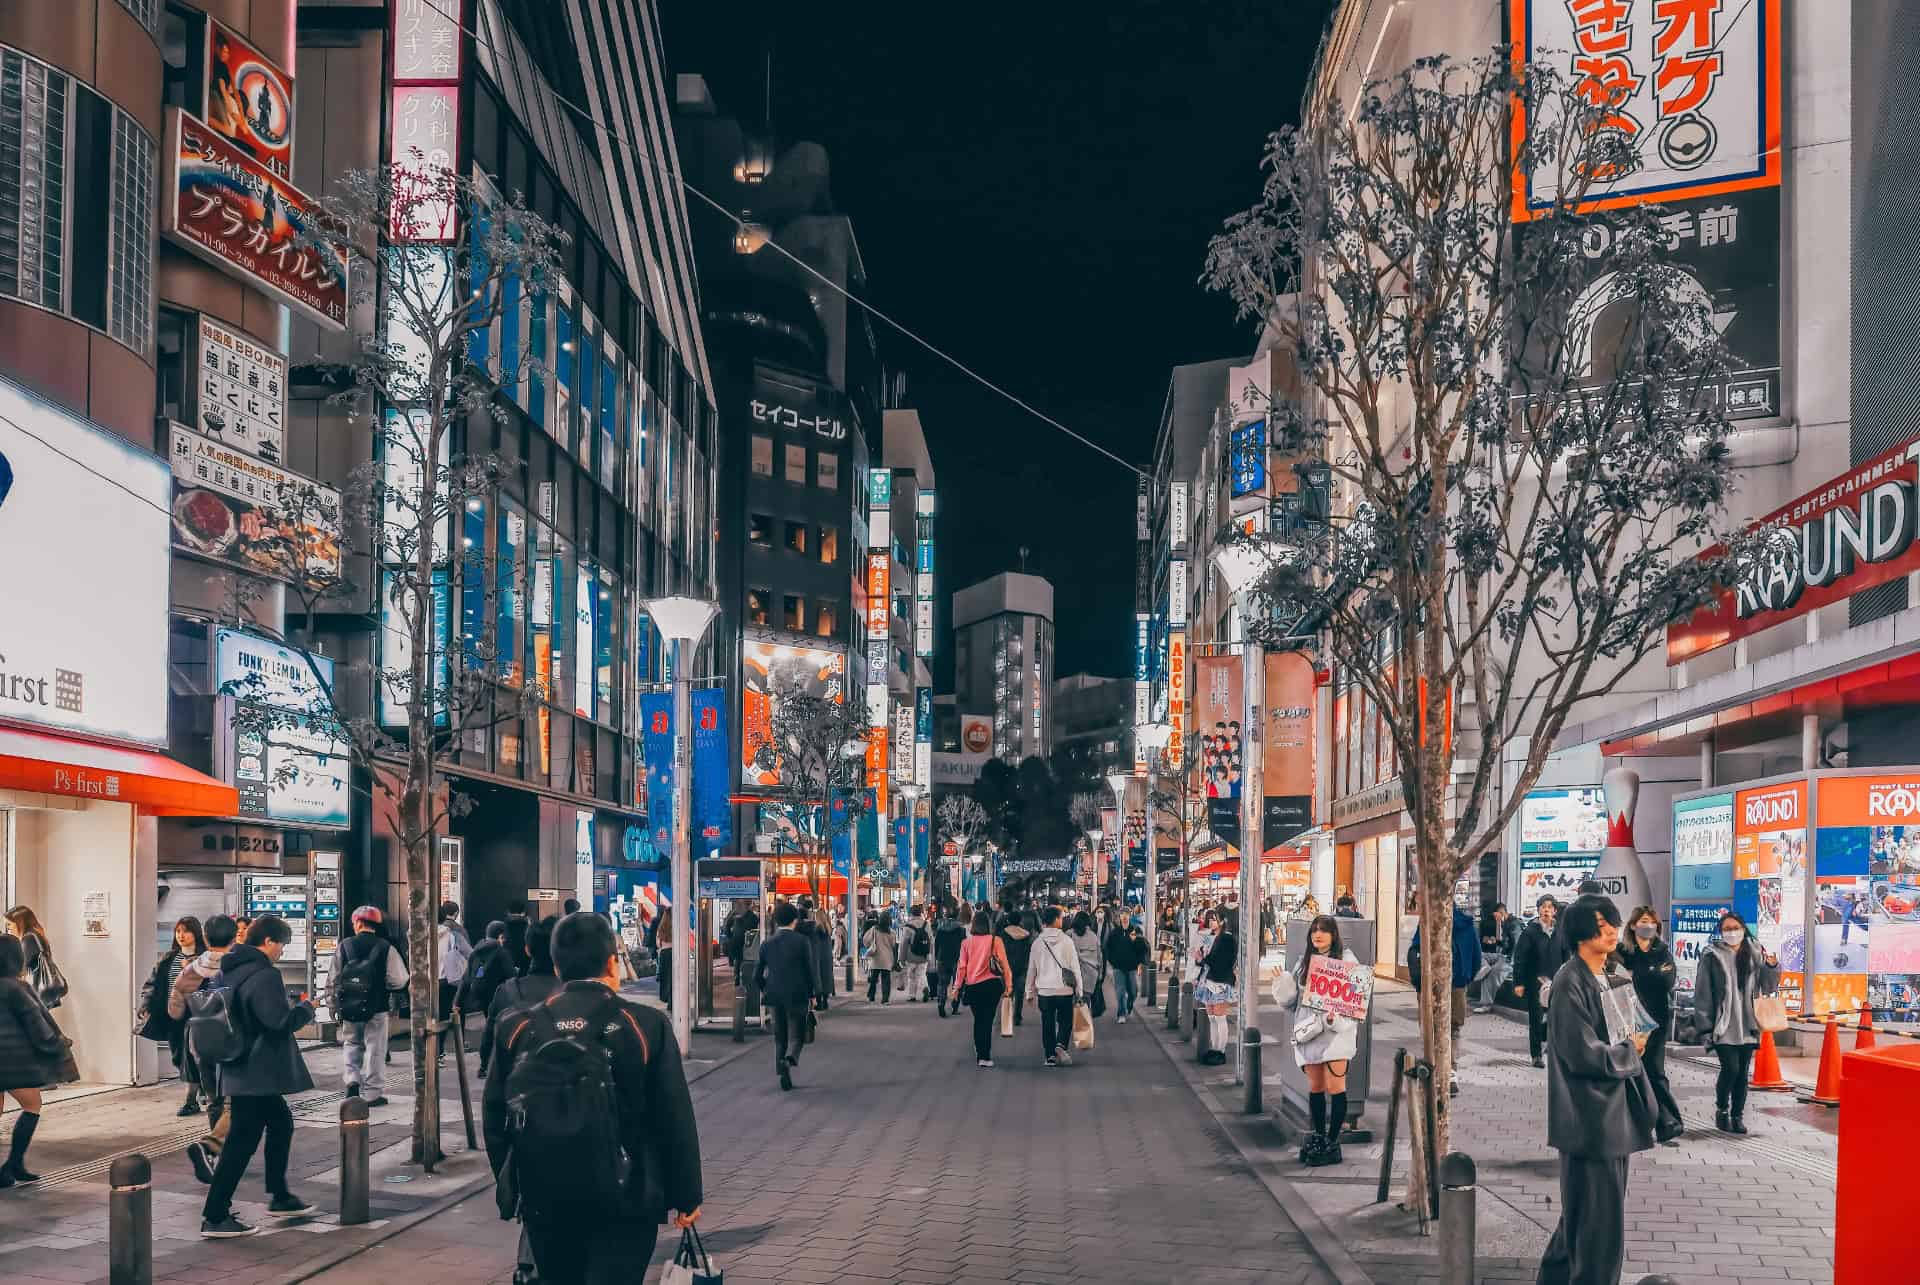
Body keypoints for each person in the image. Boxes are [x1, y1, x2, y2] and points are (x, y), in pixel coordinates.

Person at [484, 912, 703, 1283]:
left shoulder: (518, 1026)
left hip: (545, 1195)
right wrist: (687, 1194)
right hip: (628, 1197)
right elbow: (673, 1115)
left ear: (557, 965)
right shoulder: (645, 1026)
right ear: (612, 962)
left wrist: (515, 1183)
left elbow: (494, 1115)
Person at [1537, 895, 1655, 1285]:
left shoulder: (1610, 974)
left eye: (1612, 922)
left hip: (1611, 1115)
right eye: (1601, 923)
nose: (1610, 930)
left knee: (1582, 1219)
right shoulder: (1570, 982)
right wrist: (1630, 1051)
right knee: (1598, 1228)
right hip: (1590, 1118)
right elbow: (1581, 1055)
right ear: (1579, 931)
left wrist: (1634, 1042)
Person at [200, 916, 318, 1238]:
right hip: (256, 1070)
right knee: (241, 1140)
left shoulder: (228, 967)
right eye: (281, 944)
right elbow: (277, 1022)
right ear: (268, 941)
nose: (281, 951)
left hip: (237, 1065)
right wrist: (306, 1009)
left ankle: (280, 1195)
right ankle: (215, 1214)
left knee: (280, 1122)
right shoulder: (264, 974)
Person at [1272, 915, 1360, 1166]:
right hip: (1310, 1034)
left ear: (1334, 934)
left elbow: (1353, 1003)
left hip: (1335, 1036)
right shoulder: (1304, 963)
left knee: (1336, 1087)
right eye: (1314, 931)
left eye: (1323, 930)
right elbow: (1293, 1004)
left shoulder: (1346, 962)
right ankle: (1320, 1136)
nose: (1317, 935)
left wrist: (1335, 1018)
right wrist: (1283, 985)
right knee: (1316, 1088)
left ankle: (1332, 1141)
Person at [1693, 910, 1780, 1135]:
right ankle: (1722, 1108)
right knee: (1730, 1069)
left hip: (1748, 1023)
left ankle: (1737, 1116)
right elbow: (1703, 993)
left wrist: (1771, 967)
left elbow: (1769, 987)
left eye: (1735, 928)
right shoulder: (1712, 955)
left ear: (1743, 929)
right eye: (1727, 929)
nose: (1732, 932)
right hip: (1724, 1025)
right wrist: (1705, 1026)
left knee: (1742, 1073)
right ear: (1721, 932)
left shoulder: (1754, 951)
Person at [0, 933, 76, 1187]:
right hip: (11, 1061)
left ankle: (12, 1167)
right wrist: (58, 1045)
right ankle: (13, 1164)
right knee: (32, 1104)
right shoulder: (16, 987)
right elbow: (37, 1024)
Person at [172, 914, 239, 1184]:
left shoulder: (191, 969)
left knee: (212, 1099)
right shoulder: (239, 966)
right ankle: (214, 1146)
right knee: (234, 1101)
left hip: (201, 1039)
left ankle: (214, 1154)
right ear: (234, 938)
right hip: (234, 1042)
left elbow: (174, 1011)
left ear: (206, 939)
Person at [1615, 905, 1683, 1142]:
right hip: (1626, 1019)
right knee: (1630, 1071)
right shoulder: (1621, 951)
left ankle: (1668, 1121)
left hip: (1656, 1019)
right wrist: (1649, 974)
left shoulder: (1662, 951)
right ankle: (1636, 1121)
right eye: (1644, 921)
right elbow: (1614, 980)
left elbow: (1667, 979)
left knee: (1655, 1070)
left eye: (1652, 922)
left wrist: (1638, 976)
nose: (1648, 926)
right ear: (1633, 925)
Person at [332, 906, 408, 1107]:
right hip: (377, 1007)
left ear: (357, 923)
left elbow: (334, 979)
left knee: (351, 1044)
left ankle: (352, 1082)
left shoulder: (345, 946)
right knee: (375, 1048)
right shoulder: (385, 947)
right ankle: (373, 1094)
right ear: (376, 924)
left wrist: (334, 1005)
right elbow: (399, 980)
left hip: (349, 1007)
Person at [1408, 904, 1483, 1096]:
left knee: (1430, 1028)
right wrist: (1465, 978)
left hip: (1429, 985)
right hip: (1457, 984)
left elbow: (1415, 950)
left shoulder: (1428, 921)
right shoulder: (1466, 925)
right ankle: (1450, 1073)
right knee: (1453, 1029)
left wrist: (1419, 982)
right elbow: (1477, 958)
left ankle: (1433, 1070)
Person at [139, 916, 207, 1116]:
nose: (181, 936)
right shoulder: (168, 958)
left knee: (190, 1057)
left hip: (195, 1016)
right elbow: (153, 984)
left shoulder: (205, 958)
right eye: (178, 931)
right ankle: (200, 1086)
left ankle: (190, 1100)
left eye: (185, 931)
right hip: (172, 1015)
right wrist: (146, 1003)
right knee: (179, 1056)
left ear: (195, 933)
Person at [755, 901, 815, 1091]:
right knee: (797, 1035)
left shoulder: (767, 943)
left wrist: (765, 989)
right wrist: (812, 993)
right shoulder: (802, 942)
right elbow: (809, 971)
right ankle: (791, 1058)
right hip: (797, 994)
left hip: (774, 995)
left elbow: (756, 975)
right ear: (794, 920)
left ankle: (782, 1071)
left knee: (779, 1037)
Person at [486, 916, 561, 1068]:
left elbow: (489, 1043)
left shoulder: (506, 991)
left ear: (527, 949)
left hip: (518, 1083)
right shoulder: (577, 993)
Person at [950, 909, 1014, 1067]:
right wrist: (1009, 985)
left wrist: (956, 987)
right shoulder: (996, 940)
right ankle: (985, 1054)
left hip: (973, 987)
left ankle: (980, 1052)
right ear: (988, 924)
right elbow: (1005, 965)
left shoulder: (966, 943)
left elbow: (961, 967)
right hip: (992, 986)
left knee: (979, 1020)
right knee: (988, 1020)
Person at [1028, 906, 1085, 1067]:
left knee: (1047, 1022)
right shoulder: (1067, 941)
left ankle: (1050, 1056)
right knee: (1066, 1020)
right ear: (1056, 920)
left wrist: (1029, 991)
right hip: (1064, 989)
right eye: (1061, 917)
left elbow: (1032, 969)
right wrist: (1079, 989)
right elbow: (1075, 967)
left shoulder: (1037, 943)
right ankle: (1060, 1045)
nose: (1063, 920)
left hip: (1045, 991)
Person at [458, 922, 514, 1075]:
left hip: (481, 997)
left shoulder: (476, 951)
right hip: (500, 997)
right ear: (501, 936)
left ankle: (484, 1065)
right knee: (503, 1030)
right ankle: (501, 1064)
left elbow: (466, 978)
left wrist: (457, 1001)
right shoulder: (501, 953)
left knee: (489, 1028)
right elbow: (510, 976)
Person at [1513, 896, 1560, 1067]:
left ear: (1555, 911)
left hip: (1557, 982)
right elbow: (1520, 958)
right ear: (1539, 910)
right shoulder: (1530, 932)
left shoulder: (1560, 931)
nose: (1546, 910)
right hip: (1536, 983)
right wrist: (1518, 982)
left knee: (1557, 1018)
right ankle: (1536, 1055)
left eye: (1549, 907)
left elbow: (1567, 955)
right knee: (1536, 1018)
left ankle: (1555, 1051)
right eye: (1543, 906)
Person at [1196, 908, 1237, 1065]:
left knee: (1220, 1017)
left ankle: (1221, 1051)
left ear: (1222, 921)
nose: (1211, 922)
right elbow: (1205, 960)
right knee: (1212, 1017)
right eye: (1210, 919)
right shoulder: (1210, 937)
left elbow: (1223, 961)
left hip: (1221, 981)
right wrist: (1200, 959)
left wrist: (1203, 959)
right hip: (1208, 980)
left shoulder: (1227, 939)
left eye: (1214, 919)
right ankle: (1214, 1049)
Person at [4, 906, 55, 1008]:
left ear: (19, 923)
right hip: (40, 991)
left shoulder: (29, 938)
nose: (7, 928)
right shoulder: (36, 934)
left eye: (9, 924)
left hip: (35, 991)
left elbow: (21, 968)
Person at [1104, 913, 1145, 1022]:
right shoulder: (1115, 932)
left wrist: (1135, 941)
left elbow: (1142, 948)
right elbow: (1108, 948)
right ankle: (1121, 1013)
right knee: (1120, 991)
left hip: (1132, 966)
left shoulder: (1135, 931)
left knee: (1133, 991)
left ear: (1129, 916)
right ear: (1120, 917)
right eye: (1122, 914)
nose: (1124, 916)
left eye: (1126, 914)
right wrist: (1112, 961)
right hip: (1118, 967)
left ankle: (1129, 1005)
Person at [997, 907, 1035, 1027]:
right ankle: (1017, 1016)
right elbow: (1029, 951)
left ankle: (1005, 1016)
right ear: (1020, 921)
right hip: (1022, 967)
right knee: (1019, 993)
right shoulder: (1026, 935)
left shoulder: (1003, 934)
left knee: (1007, 992)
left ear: (1008, 921)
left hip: (1006, 967)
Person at [437, 901, 472, 1024]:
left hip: (434, 978)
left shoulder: (427, 933)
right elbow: (469, 954)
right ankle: (460, 1040)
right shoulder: (458, 931)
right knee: (458, 1007)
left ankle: (438, 1043)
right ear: (456, 913)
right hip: (454, 978)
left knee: (439, 1014)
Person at [1069, 910, 1105, 1019]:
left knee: (1071, 1001)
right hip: (1090, 974)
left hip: (1072, 975)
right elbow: (1100, 958)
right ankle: (1083, 1026)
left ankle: (1070, 1024)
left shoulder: (1069, 935)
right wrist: (1100, 974)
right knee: (1085, 1001)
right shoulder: (1093, 937)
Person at [931, 904, 965, 1018]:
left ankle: (941, 1002)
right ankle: (954, 1007)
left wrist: (936, 957)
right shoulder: (961, 929)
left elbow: (936, 944)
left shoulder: (940, 928)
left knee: (942, 983)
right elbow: (964, 946)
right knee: (957, 984)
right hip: (957, 959)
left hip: (942, 958)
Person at [863, 911, 898, 1003]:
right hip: (887, 959)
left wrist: (869, 946)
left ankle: (871, 996)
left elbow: (865, 940)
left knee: (874, 979)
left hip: (876, 958)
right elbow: (894, 946)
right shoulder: (892, 933)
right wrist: (895, 960)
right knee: (886, 979)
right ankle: (885, 998)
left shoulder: (874, 929)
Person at [900, 904, 933, 1001]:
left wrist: (901, 958)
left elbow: (904, 944)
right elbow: (930, 941)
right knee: (922, 974)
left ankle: (912, 996)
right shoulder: (926, 925)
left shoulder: (907, 926)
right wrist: (929, 955)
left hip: (911, 955)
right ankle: (925, 987)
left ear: (911, 914)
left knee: (911, 976)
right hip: (923, 955)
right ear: (921, 913)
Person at [503, 899, 533, 976]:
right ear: (523, 912)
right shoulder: (530, 926)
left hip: (508, 963)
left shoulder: (504, 926)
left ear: (508, 912)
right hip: (526, 963)